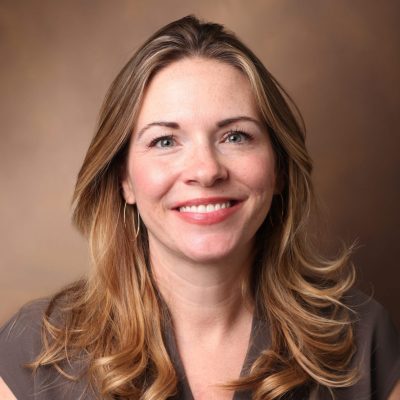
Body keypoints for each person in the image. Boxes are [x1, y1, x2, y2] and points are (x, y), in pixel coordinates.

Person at [0, 15, 399, 400]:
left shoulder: (362, 337)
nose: (206, 170)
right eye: (164, 141)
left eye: (235, 136)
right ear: (124, 180)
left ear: (278, 168)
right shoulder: (35, 351)